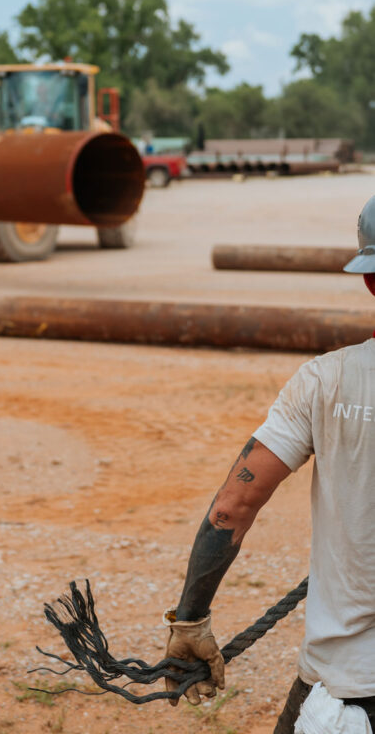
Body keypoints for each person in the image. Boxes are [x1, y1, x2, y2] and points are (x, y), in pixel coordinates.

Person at [164, 196, 375, 732]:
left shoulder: (325, 383)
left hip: (347, 688)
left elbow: (231, 508)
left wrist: (190, 621)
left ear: (370, 279)